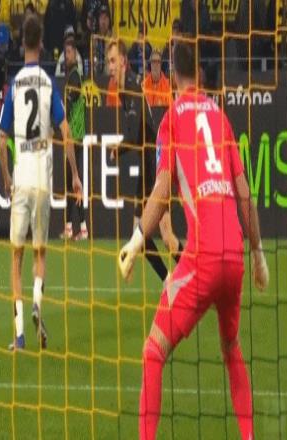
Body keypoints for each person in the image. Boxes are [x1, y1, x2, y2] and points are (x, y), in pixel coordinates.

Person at [118, 42, 270, 440]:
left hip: (203, 257)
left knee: (153, 352)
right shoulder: (220, 117)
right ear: (200, 74)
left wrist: (137, 239)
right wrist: (258, 255)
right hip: (234, 256)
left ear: (172, 76)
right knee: (231, 347)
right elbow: (244, 195)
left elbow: (161, 191)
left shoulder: (171, 120)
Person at [0, 14, 82, 351]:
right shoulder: (48, 83)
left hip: (21, 179)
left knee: (15, 257)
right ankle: (36, 301)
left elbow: (2, 138)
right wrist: (74, 175)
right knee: (40, 253)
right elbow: (66, 131)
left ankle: (19, 336)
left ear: (22, 44)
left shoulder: (15, 84)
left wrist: (6, 175)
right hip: (43, 180)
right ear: (42, 44)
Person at [106, 39, 181, 282]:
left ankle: (191, 278)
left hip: (155, 165)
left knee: (156, 235)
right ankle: (174, 281)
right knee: (153, 235)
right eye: (108, 62)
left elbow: (134, 135)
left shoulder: (131, 88)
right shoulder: (125, 89)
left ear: (124, 62)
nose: (110, 67)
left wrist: (117, 150)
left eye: (113, 61)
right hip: (150, 164)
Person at [60, 38, 88, 241]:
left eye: (69, 52)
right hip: (73, 134)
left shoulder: (75, 75)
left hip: (75, 135)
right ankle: (70, 226)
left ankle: (83, 228)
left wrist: (66, 109)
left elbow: (74, 94)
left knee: (74, 181)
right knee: (70, 181)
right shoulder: (71, 75)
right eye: (65, 52)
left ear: (75, 54)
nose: (66, 55)